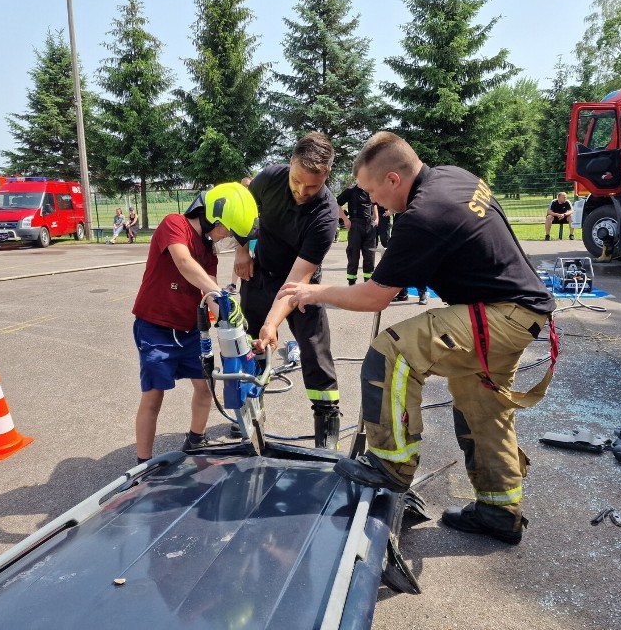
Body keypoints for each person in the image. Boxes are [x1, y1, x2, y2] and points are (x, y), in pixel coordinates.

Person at [279, 132, 556, 545]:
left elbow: (373, 297)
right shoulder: (454, 178)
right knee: (481, 406)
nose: (373, 203)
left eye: (372, 192)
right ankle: (500, 510)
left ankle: (390, 465)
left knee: (392, 351)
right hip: (514, 312)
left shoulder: (424, 214)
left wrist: (313, 292)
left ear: (393, 179)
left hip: (497, 315)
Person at [131, 182, 258, 464]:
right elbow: (184, 263)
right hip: (155, 328)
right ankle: (143, 463)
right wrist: (217, 293)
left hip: (189, 332)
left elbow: (208, 288)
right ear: (213, 215)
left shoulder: (208, 250)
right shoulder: (174, 224)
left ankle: (196, 439)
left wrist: (228, 311)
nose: (224, 236)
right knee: (154, 397)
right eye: (226, 229)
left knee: (205, 388)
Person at [233, 131, 342, 449]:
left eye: (313, 185)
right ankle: (252, 416)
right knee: (250, 348)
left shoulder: (326, 215)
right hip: (260, 274)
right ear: (291, 162)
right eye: (298, 180)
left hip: (301, 285)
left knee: (314, 349)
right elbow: (244, 212)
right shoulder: (268, 178)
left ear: (326, 176)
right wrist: (242, 249)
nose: (303, 191)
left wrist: (273, 322)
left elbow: (297, 281)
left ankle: (326, 419)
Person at [337, 181, 379, 285]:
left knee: (370, 256)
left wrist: (376, 218)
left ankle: (368, 284)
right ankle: (352, 283)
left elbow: (374, 204)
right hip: (355, 225)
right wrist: (345, 220)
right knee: (353, 256)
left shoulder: (369, 189)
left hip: (369, 226)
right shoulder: (350, 191)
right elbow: (336, 204)